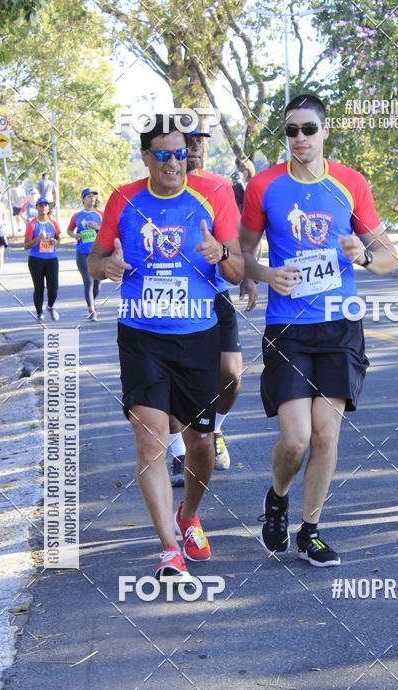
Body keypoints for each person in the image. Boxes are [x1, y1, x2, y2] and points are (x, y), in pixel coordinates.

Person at [240, 92, 397, 566]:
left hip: (339, 326)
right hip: (288, 326)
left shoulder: (350, 183)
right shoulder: (264, 186)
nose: (300, 138)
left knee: (326, 437)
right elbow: (240, 254)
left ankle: (310, 529)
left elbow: (387, 258)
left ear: (325, 131)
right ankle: (278, 495)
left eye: (309, 129)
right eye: (291, 131)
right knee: (296, 439)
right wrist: (265, 275)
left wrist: (363, 255)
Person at [89, 115, 244, 582]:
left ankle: (189, 515)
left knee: (199, 445)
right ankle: (169, 550)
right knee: (150, 436)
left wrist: (221, 255)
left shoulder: (213, 194)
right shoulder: (123, 198)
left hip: (198, 334)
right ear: (146, 157)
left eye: (180, 153)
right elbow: (96, 260)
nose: (175, 162)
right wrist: (106, 266)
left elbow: (237, 269)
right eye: (163, 154)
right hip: (140, 335)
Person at [167, 124, 257, 487]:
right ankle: (176, 452)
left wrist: (248, 275)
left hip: (214, 290)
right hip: (173, 296)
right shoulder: (157, 189)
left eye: (199, 143)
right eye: (187, 143)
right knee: (175, 378)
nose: (194, 150)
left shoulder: (219, 186)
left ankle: (215, 428)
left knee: (231, 373)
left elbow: (236, 240)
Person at [67, 188, 102, 320]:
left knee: (97, 283)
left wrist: (98, 227)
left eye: (94, 196)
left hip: (98, 253)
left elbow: (110, 231)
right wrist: (75, 235)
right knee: (88, 281)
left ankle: (92, 302)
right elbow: (69, 230)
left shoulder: (100, 214)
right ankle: (92, 310)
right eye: (89, 196)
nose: (92, 198)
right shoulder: (77, 215)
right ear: (83, 199)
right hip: (82, 253)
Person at [24, 197, 61, 321]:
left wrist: (56, 241)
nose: (43, 207)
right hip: (36, 259)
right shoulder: (32, 224)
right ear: (37, 208)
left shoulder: (53, 223)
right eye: (41, 205)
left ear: (49, 208)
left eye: (46, 205)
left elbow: (59, 238)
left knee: (53, 287)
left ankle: (50, 306)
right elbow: (26, 245)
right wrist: (39, 238)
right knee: (39, 287)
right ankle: (39, 313)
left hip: (51, 259)